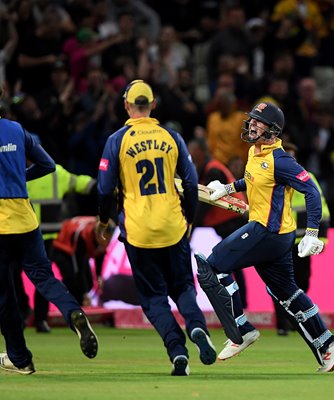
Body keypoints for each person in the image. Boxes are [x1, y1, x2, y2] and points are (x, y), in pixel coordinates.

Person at [196, 101, 334, 373]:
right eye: (251, 119)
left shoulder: (282, 160)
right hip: (276, 236)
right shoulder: (255, 153)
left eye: (258, 121)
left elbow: (311, 191)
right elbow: (253, 180)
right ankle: (328, 343)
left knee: (211, 266)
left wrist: (313, 233)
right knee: (287, 293)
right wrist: (227, 188)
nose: (252, 124)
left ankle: (241, 330)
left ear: (273, 130)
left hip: (267, 231)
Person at [95, 79, 216, 376]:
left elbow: (104, 188)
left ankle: (177, 352)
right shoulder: (172, 137)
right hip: (173, 226)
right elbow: (190, 183)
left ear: (126, 105)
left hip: (138, 232)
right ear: (152, 105)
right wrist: (189, 219)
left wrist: (104, 220)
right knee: (184, 287)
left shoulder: (117, 140)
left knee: (153, 298)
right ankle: (197, 328)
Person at [1, 110, 98, 375]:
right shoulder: (17, 130)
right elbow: (48, 165)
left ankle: (20, 359)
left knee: (5, 296)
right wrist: (20, 177)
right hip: (25, 219)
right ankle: (73, 313)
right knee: (43, 277)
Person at [12, 163, 96, 333]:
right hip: (51, 238)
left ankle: (24, 314)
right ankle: (43, 318)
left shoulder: (16, 172)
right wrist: (105, 183)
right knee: (45, 278)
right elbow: (82, 184)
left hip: (24, 234)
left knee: (13, 275)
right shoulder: (55, 172)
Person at [273, 141, 330, 336]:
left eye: (292, 155)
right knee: (280, 282)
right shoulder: (272, 178)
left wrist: (322, 238)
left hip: (302, 241)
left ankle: (295, 319)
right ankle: (283, 323)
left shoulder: (308, 178)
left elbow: (322, 208)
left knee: (302, 282)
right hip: (280, 239)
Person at [187, 137, 248, 308]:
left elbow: (204, 203)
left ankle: (241, 303)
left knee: (232, 263)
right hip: (229, 222)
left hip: (232, 220)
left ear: (201, 151)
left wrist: (191, 226)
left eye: (192, 150)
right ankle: (241, 302)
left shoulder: (213, 171)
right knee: (233, 263)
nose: (190, 155)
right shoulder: (208, 168)